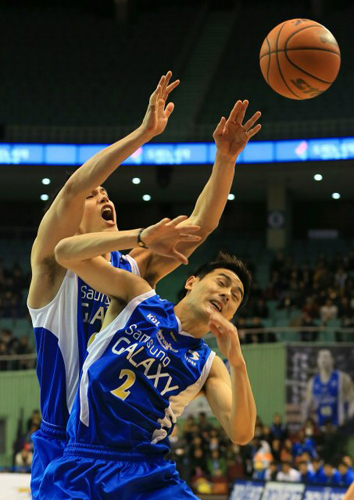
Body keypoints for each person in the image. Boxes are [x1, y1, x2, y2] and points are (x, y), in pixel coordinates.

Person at [27, 67, 262, 498]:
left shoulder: (133, 273)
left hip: (132, 455)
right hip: (66, 440)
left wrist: (225, 160)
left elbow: (199, 226)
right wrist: (143, 133)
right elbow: (70, 195)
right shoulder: (52, 269)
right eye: (97, 196)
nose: (106, 197)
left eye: (109, 195)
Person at [38, 248, 257, 499]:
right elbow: (67, 254)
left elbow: (241, 433)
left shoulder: (209, 365)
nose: (227, 294)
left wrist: (238, 363)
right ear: (191, 282)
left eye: (235, 296)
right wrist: (139, 237)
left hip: (147, 475)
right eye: (222, 282)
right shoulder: (137, 298)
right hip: (83, 461)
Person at [303, 349, 354, 427]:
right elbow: (306, 406)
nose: (323, 360)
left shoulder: (342, 378)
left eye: (326, 357)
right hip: (321, 428)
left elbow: (352, 399)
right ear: (318, 361)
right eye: (321, 357)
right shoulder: (312, 382)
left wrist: (350, 416)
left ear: (332, 360)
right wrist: (306, 421)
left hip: (339, 426)